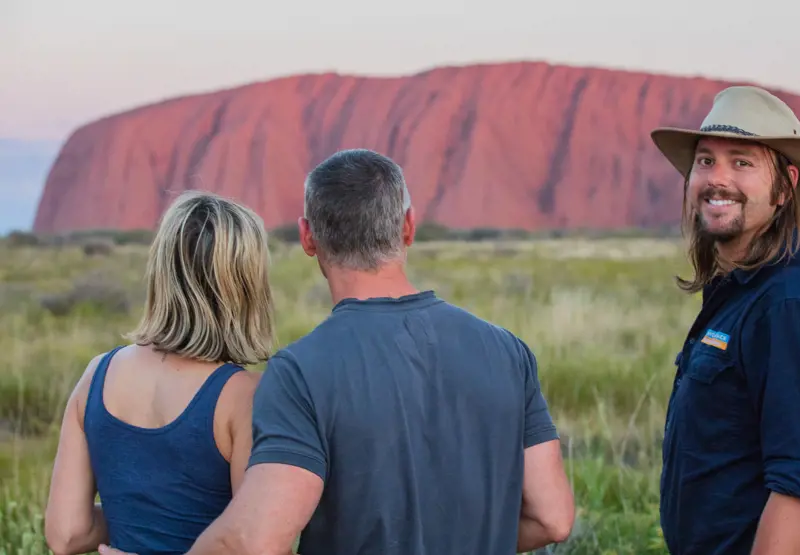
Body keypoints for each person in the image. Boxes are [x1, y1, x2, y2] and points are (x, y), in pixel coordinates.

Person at [100, 148, 575, 555]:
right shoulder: (509, 352)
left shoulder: (301, 372)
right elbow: (553, 519)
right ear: (409, 226)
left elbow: (256, 540)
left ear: (308, 238)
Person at [649, 86, 800, 554]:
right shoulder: (741, 292)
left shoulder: (793, 307)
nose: (717, 178)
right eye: (705, 160)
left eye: (742, 162)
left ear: (784, 187)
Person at [44, 191, 277, 555]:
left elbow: (67, 533)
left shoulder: (97, 374)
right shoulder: (245, 397)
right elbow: (255, 546)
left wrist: (134, 513)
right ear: (246, 284)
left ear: (161, 272)